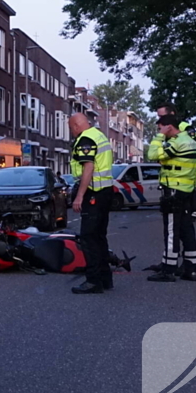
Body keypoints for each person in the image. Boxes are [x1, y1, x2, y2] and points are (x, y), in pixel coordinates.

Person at [148, 115, 196, 283]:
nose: (159, 131)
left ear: (168, 127)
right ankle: (191, 269)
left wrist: (159, 137)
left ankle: (169, 270)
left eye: (160, 128)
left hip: (173, 191)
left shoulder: (176, 142)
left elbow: (152, 155)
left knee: (172, 231)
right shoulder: (192, 142)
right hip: (187, 190)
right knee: (187, 229)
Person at [68, 113, 115, 294]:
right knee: (99, 236)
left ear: (77, 125)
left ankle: (93, 281)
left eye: (71, 127)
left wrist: (80, 196)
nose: (72, 131)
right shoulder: (99, 135)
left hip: (93, 192)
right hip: (106, 191)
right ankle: (105, 278)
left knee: (88, 238)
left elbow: (88, 167)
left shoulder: (85, 140)